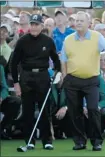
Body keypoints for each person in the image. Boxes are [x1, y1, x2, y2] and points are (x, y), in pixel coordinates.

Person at [60, 11, 105, 151]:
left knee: (93, 109)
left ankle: (96, 141)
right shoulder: (68, 39)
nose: (78, 23)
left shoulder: (96, 37)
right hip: (72, 80)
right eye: (76, 21)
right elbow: (63, 60)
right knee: (75, 112)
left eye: (81, 21)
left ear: (88, 23)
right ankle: (79, 141)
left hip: (91, 80)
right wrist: (64, 75)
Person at [10, 14, 61, 150]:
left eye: (36, 24)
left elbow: (56, 60)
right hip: (26, 77)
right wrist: (16, 83)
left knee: (45, 110)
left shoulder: (48, 41)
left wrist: (58, 73)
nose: (34, 27)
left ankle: (47, 141)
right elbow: (13, 63)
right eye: (32, 24)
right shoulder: (22, 41)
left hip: (43, 77)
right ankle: (30, 141)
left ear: (41, 26)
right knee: (28, 110)